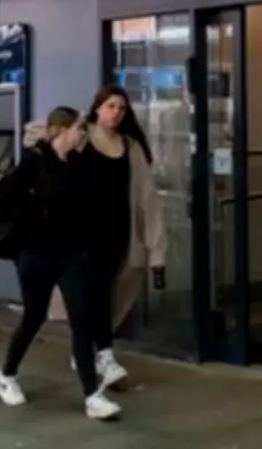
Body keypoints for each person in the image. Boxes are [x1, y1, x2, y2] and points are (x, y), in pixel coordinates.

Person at [0, 107, 121, 421]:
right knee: (34, 317)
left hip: (71, 256)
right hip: (36, 255)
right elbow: (6, 201)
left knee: (82, 320)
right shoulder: (33, 161)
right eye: (78, 128)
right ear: (62, 129)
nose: (82, 134)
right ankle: (6, 374)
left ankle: (92, 396)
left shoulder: (77, 163)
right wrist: (29, 231)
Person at [68, 83, 167, 389]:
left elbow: (148, 199)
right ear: (97, 107)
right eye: (110, 106)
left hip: (117, 235)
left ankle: (91, 351)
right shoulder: (81, 138)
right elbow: (36, 135)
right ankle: (103, 356)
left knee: (103, 295)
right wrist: (75, 123)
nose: (116, 113)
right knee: (92, 294)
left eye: (121, 108)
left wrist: (157, 250)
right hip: (81, 234)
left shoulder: (129, 147)